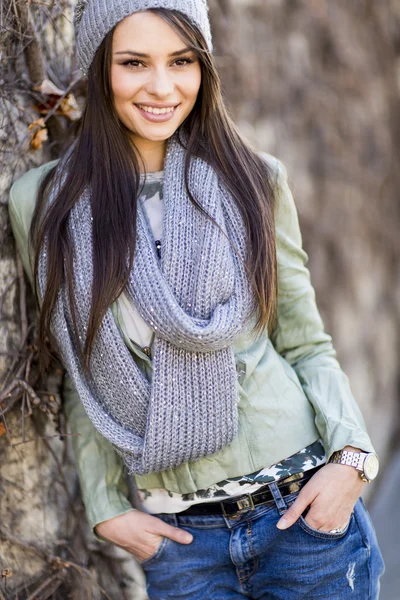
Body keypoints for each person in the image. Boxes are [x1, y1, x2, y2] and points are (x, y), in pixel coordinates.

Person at [9, 0, 385, 598]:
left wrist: (351, 459)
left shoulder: (253, 179)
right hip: (181, 544)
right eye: (135, 62)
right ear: (99, 68)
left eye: (181, 61)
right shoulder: (46, 200)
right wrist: (108, 509)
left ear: (203, 69)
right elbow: (85, 373)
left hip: (303, 515)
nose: (162, 87)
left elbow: (305, 340)